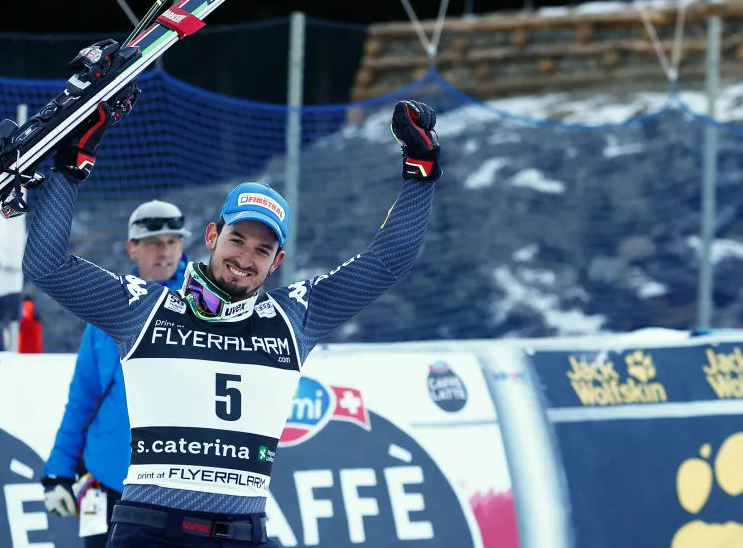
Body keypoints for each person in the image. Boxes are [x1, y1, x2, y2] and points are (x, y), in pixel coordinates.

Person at [22, 39, 441, 548]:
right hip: (149, 531)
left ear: (277, 261)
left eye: (262, 249)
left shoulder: (295, 319)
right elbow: (46, 265)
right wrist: (71, 164)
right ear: (212, 237)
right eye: (237, 239)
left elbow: (386, 262)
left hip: (243, 534)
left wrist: (420, 172)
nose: (245, 257)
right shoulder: (145, 308)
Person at [42, 199, 192, 547]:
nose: (165, 251)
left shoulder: (202, 306)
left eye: (173, 241)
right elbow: (83, 399)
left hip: (176, 490)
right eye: (155, 242)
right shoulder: (110, 308)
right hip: (107, 479)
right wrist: (59, 470)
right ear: (132, 249)